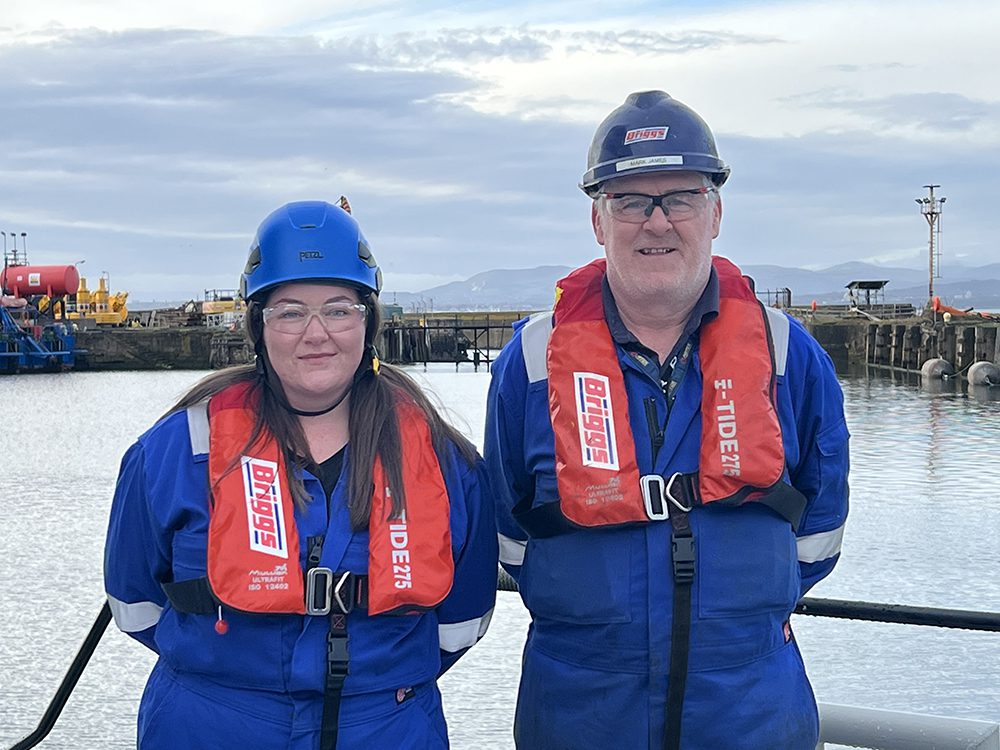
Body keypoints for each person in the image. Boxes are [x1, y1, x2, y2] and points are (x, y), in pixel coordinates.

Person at [485, 91, 849, 749]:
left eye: (679, 197)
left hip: (751, 715)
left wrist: (733, 615)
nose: (656, 222)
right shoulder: (530, 364)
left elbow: (820, 533)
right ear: (599, 221)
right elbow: (508, 535)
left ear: (716, 213)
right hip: (580, 713)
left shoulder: (791, 358)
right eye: (630, 201)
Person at [105, 199, 498, 749]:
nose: (316, 333)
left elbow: (463, 621)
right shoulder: (172, 452)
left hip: (388, 725)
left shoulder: (445, 460)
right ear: (258, 327)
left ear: (368, 321)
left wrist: (377, 688)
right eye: (290, 311)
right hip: (210, 725)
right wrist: (234, 682)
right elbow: (134, 602)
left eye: (338, 309)